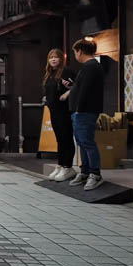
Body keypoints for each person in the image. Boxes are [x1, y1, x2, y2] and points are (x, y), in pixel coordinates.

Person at [68, 38, 106, 190]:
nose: (75, 55)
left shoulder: (91, 67)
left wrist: (79, 108)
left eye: (75, 52)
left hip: (85, 110)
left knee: (87, 141)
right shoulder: (89, 66)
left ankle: (95, 173)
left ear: (80, 51)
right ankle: (85, 171)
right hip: (81, 110)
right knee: (81, 141)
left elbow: (85, 90)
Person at [42, 48, 76, 182]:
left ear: (61, 59)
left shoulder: (66, 71)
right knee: (59, 139)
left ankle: (68, 166)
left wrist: (67, 93)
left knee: (66, 137)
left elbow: (77, 86)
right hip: (53, 110)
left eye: (56, 57)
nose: (53, 60)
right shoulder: (49, 74)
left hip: (64, 110)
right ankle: (61, 164)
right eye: (51, 57)